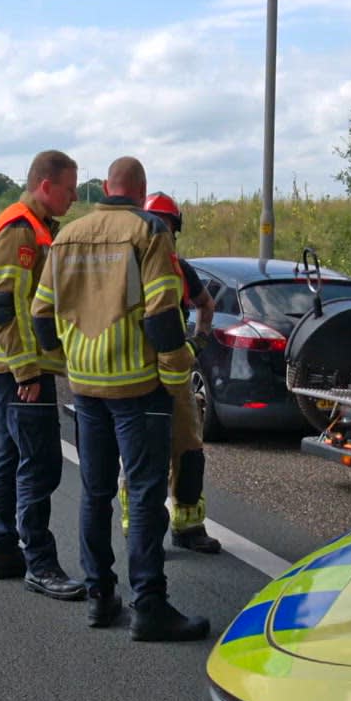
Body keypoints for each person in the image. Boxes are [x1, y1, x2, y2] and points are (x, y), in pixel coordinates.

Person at [31, 157, 210, 642]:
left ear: (106, 186)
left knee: (95, 493)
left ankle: (99, 596)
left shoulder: (67, 235)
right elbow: (162, 315)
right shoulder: (149, 231)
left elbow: (41, 316)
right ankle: (149, 605)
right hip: (139, 389)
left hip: (87, 387)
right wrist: (177, 374)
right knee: (147, 493)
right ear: (141, 189)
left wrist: (68, 359)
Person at [0, 150, 86, 601]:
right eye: (68, 188)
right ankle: (40, 562)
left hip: (8, 365)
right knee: (40, 462)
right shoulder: (21, 229)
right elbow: (6, 302)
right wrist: (27, 367)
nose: (74, 197)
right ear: (45, 184)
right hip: (20, 367)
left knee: (9, 453)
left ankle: (4, 549)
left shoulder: (35, 227)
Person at [137, 192, 221, 554]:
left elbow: (206, 305)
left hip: (177, 376)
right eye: (154, 224)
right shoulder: (128, 266)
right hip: (139, 376)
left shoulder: (180, 268)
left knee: (188, 450)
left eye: (165, 225)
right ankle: (140, 530)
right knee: (141, 454)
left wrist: (198, 344)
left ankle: (188, 526)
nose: (159, 231)